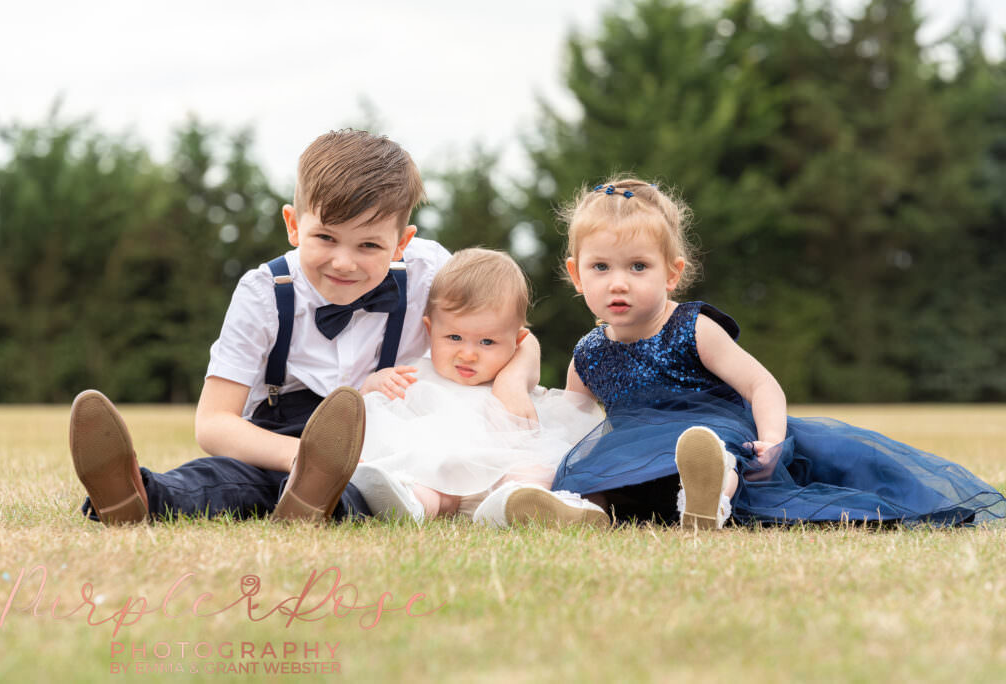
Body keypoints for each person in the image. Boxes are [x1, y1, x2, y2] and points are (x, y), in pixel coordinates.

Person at [68, 130, 540, 525]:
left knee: (372, 488)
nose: (344, 262)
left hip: (380, 434)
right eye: (326, 238)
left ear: (402, 243)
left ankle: (320, 499)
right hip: (277, 433)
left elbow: (508, 330)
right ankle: (138, 493)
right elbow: (213, 423)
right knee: (231, 479)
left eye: (369, 246)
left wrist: (515, 378)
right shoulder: (263, 293)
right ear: (294, 226)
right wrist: (303, 458)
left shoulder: (430, 270)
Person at [545, 177, 1006, 530]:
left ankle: (708, 499)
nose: (618, 282)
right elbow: (576, 424)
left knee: (714, 448)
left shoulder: (691, 328)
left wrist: (771, 439)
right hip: (637, 462)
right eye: (600, 267)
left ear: (671, 273)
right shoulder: (588, 354)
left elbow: (759, 384)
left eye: (638, 266)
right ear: (577, 275)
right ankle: (580, 511)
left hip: (714, 434)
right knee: (592, 471)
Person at [350, 248, 609, 528]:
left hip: (499, 475)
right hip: (441, 477)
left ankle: (515, 502)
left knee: (534, 470)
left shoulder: (514, 389)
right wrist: (374, 383)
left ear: (517, 340)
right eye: (454, 337)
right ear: (429, 329)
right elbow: (375, 411)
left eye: (487, 342)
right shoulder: (417, 375)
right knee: (424, 481)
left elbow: (536, 435)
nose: (468, 354)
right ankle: (410, 503)